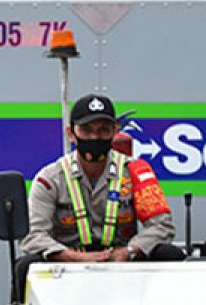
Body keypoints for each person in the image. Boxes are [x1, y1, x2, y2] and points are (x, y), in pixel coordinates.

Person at [19, 93, 182, 263]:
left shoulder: (136, 172)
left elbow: (162, 226)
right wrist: (76, 257)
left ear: (115, 132)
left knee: (169, 253)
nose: (94, 137)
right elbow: (32, 235)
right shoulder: (50, 179)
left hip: (122, 262)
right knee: (25, 264)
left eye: (103, 130)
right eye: (86, 130)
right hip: (67, 265)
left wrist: (130, 251)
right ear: (71, 133)